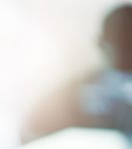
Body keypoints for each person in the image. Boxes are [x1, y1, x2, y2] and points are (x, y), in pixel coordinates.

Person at [25, 3, 132, 139]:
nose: (126, 49)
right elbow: (36, 124)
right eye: (121, 39)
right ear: (100, 43)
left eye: (128, 39)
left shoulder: (80, 88)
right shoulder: (77, 91)